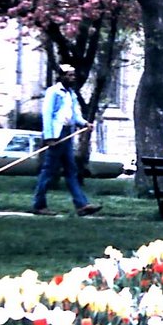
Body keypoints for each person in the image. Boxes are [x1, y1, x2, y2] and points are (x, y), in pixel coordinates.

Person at [31, 65, 100, 217]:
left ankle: (82, 205)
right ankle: (39, 204)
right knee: (48, 171)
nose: (73, 78)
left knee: (71, 170)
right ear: (61, 76)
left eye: (73, 75)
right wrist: (49, 137)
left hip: (68, 133)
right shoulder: (53, 92)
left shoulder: (71, 94)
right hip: (57, 134)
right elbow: (47, 114)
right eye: (69, 75)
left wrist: (84, 123)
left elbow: (74, 115)